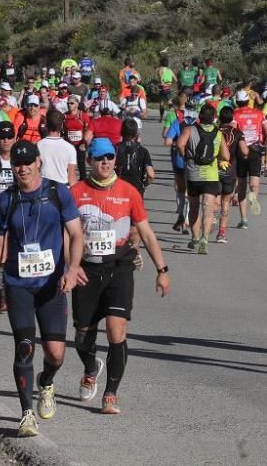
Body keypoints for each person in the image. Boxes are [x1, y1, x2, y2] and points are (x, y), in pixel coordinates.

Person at [0, 141, 85, 437]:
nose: (22, 168)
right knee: (25, 347)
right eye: (17, 163)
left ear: (38, 162)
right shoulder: (6, 200)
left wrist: (72, 268)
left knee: (56, 354)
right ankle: (27, 414)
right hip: (18, 285)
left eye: (28, 162)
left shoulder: (57, 192)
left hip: (51, 284)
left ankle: (47, 381)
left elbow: (77, 234)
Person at [70, 138, 169, 414]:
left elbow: (146, 233)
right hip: (86, 270)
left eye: (109, 157)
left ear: (116, 159)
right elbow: (64, 234)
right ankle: (91, 368)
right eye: (99, 158)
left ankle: (111, 393)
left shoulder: (129, 192)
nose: (105, 162)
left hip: (119, 268)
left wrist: (162, 270)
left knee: (117, 330)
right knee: (81, 336)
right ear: (89, 160)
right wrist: (69, 266)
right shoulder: (76, 192)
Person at [177, 104, 230, 255]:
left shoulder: (189, 129)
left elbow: (180, 144)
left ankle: (194, 238)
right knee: (208, 209)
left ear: (200, 116)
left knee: (194, 207)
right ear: (214, 117)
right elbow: (226, 156)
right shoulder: (218, 133)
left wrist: (186, 156)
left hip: (193, 173)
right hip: (211, 175)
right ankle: (205, 239)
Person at [233, 90, 267, 228]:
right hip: (255, 151)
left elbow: (231, 131)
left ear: (237, 101)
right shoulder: (259, 113)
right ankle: (253, 195)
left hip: (241, 151)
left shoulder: (235, 114)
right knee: (254, 183)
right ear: (248, 100)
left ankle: (244, 220)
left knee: (241, 186)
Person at [215, 107, 247, 245]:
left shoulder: (213, 131)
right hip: (230, 170)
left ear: (219, 118)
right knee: (225, 203)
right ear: (232, 118)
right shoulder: (238, 133)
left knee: (212, 201)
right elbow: (245, 151)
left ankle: (208, 223)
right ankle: (221, 233)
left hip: (213, 170)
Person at [37, 110, 77, 186]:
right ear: (61, 125)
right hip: (63, 189)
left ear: (46, 124)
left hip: (43, 189)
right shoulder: (70, 148)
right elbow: (72, 178)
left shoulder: (38, 146)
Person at [115, 118, 154, 197]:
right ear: (136, 133)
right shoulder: (143, 151)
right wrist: (144, 184)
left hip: (118, 188)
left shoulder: (115, 148)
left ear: (121, 132)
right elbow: (151, 174)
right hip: (136, 188)